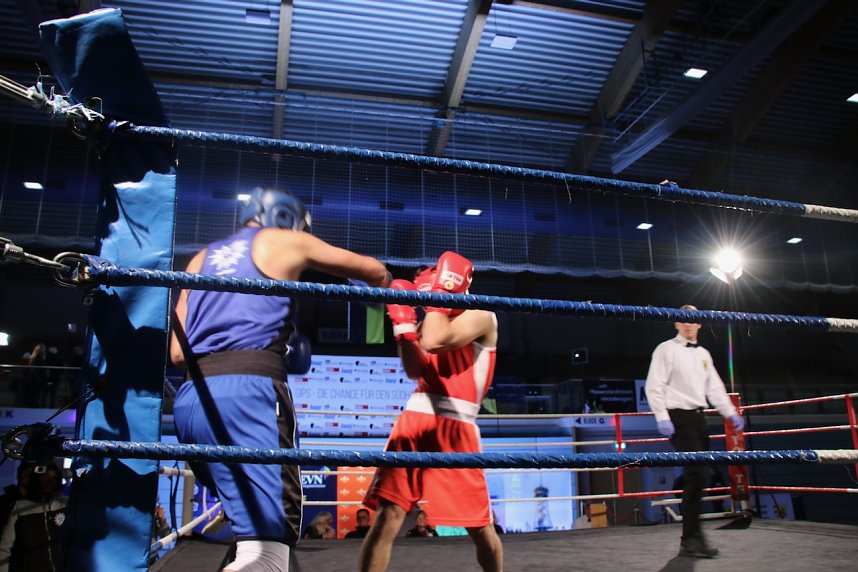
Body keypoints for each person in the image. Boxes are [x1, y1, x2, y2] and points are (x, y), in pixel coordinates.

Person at [170, 186, 391, 572]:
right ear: (287, 217)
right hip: (249, 394)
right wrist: (394, 289)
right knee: (271, 540)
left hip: (192, 401)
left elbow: (176, 352)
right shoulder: (284, 241)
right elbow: (371, 270)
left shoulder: (200, 259)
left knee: (248, 529)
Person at [358, 251, 503, 572]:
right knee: (387, 517)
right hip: (414, 422)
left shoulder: (481, 314)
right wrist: (404, 331)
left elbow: (437, 341)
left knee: (479, 526)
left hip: (456, 427)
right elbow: (415, 369)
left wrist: (437, 299)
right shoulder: (431, 318)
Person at [644, 305, 744, 559]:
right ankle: (690, 538)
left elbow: (715, 389)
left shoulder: (704, 354)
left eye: (693, 321)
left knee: (699, 476)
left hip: (700, 418)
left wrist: (730, 413)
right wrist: (662, 417)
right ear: (676, 324)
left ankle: (691, 538)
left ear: (699, 324)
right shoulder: (665, 350)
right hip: (679, 418)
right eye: (683, 321)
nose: (688, 325)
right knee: (698, 473)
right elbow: (654, 386)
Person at [0, 460, 68, 572]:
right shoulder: (20, 507)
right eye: (46, 478)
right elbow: (5, 548)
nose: (50, 482)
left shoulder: (63, 504)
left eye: (53, 478)